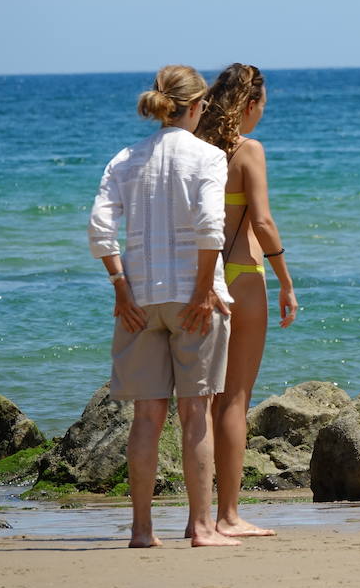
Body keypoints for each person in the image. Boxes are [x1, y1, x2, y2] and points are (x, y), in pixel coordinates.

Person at [88, 65, 240, 548]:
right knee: (197, 412)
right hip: (191, 299)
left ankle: (141, 530)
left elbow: (99, 228)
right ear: (197, 106)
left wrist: (120, 287)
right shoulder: (208, 157)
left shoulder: (125, 159)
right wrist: (201, 290)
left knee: (146, 417)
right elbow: (211, 227)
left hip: (139, 300)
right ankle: (200, 527)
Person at [193, 63, 297, 538]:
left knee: (204, 402)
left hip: (199, 278)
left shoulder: (197, 148)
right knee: (235, 400)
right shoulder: (247, 150)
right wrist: (286, 281)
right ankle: (229, 516)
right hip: (242, 275)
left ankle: (200, 515)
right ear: (250, 105)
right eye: (262, 108)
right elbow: (263, 224)